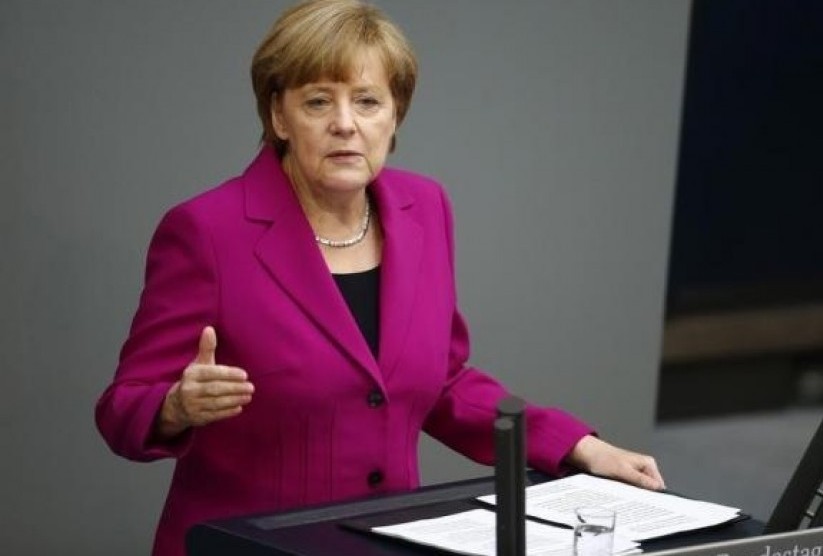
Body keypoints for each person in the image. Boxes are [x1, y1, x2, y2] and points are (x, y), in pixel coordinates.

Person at [95, 1, 665, 555]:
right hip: (248, 547)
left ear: (395, 115)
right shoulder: (207, 231)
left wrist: (579, 446)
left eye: (367, 101)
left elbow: (441, 381)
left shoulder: (425, 208)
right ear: (278, 116)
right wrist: (174, 405)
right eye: (319, 102)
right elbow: (122, 409)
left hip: (387, 541)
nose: (345, 124)